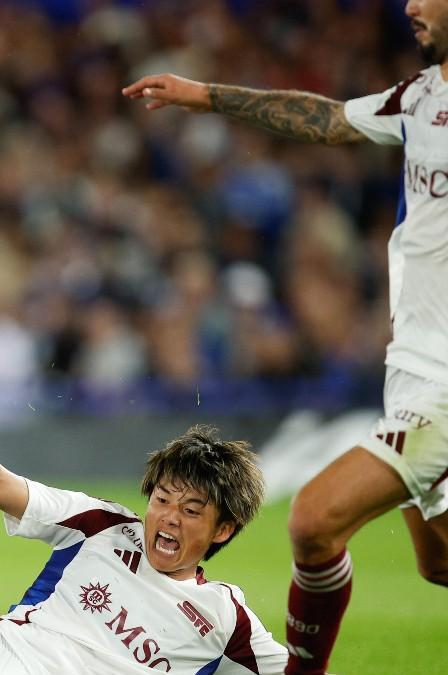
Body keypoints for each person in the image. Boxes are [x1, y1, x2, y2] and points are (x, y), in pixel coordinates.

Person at [121, 2, 448, 672]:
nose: (410, 5)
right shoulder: (422, 96)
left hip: (445, 380)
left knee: (313, 519)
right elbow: (327, 120)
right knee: (439, 560)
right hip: (412, 363)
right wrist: (207, 95)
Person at [0, 403, 286, 675]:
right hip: (5, 652)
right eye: (163, 499)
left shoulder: (227, 620)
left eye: (190, 511)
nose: (168, 518)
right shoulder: (104, 525)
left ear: (222, 529)